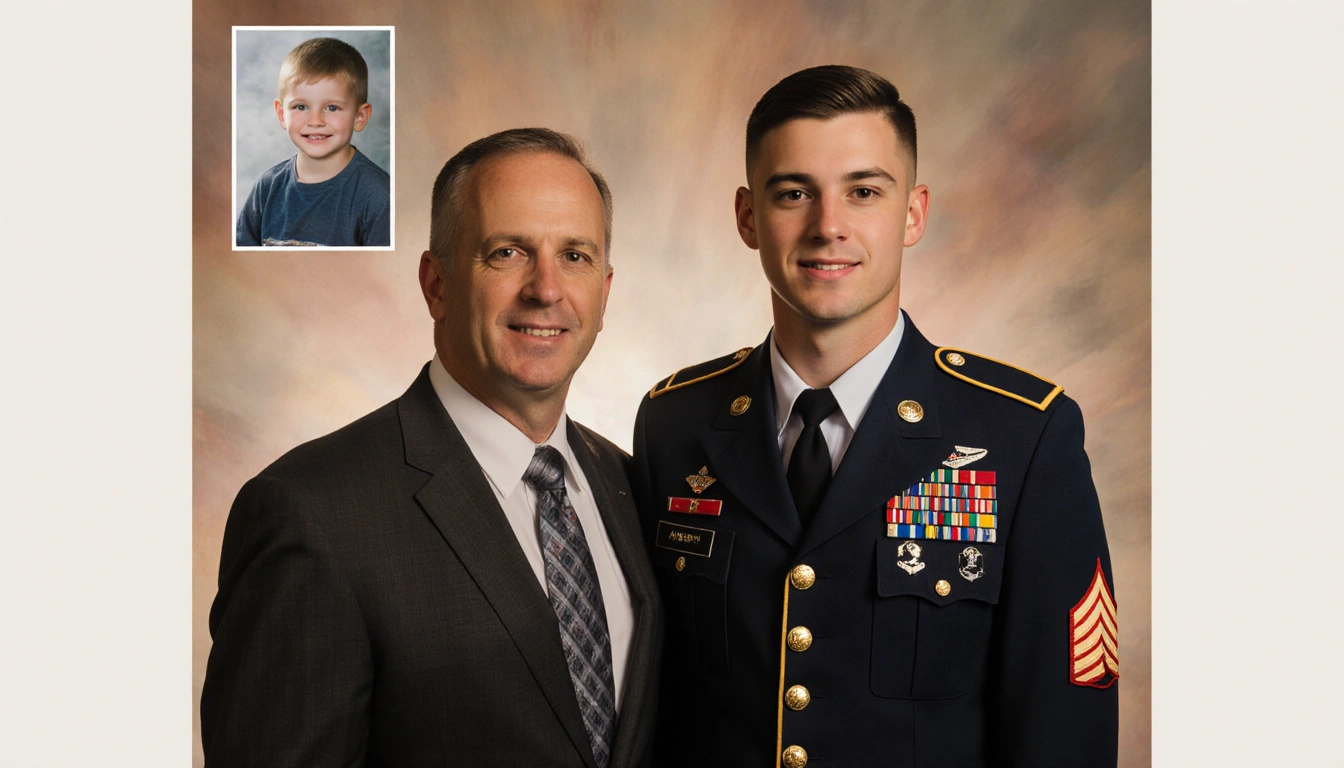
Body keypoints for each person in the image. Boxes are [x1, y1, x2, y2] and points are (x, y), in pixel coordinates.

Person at [630, 66, 1117, 767]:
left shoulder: (1023, 436)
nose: (828, 227)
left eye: (863, 192)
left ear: (913, 213)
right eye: (793, 193)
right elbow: (655, 706)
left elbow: (1064, 731)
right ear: (746, 217)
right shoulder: (673, 425)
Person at [204, 128, 662, 767]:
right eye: (507, 252)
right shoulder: (311, 511)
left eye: (576, 257)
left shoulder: (634, 488)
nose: (547, 290)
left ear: (606, 291)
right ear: (436, 283)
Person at [235, 37, 390, 247]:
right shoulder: (267, 187)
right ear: (281, 114)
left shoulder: (378, 196)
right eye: (301, 107)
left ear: (359, 117)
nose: (315, 121)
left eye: (332, 108)